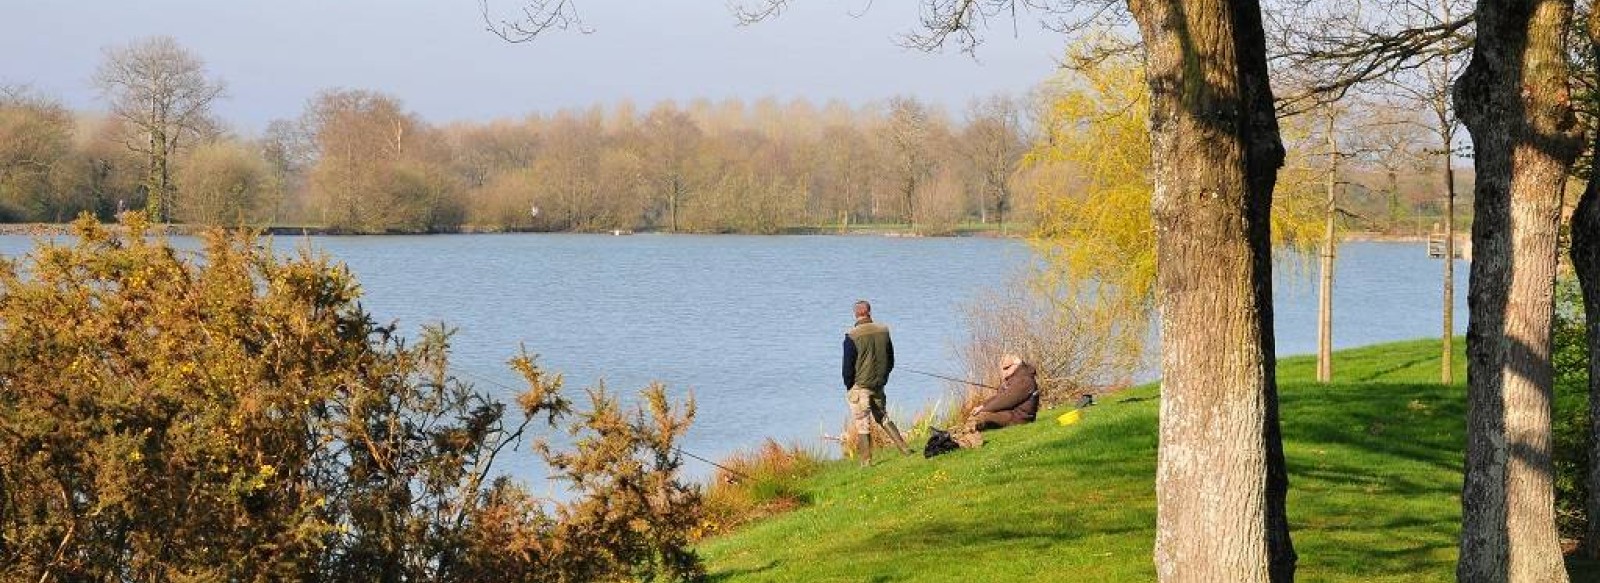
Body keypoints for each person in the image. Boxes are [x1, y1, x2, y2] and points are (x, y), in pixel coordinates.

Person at [843, 300, 908, 466]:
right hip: (879, 384)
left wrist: (849, 385)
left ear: (855, 314)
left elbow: (847, 367)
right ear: (869, 312)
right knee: (883, 417)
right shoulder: (883, 330)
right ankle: (905, 449)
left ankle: (866, 461)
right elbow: (891, 359)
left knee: (862, 423)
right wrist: (883, 376)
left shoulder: (851, 336)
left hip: (860, 386)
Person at [968, 354, 1040, 431]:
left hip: (1019, 418)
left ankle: (968, 435)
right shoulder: (1014, 378)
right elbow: (1000, 397)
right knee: (977, 416)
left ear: (1017, 364)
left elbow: (1006, 400)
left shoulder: (1024, 380)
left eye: (1007, 368)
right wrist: (982, 406)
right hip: (1010, 413)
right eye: (1003, 369)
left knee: (981, 417)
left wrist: (983, 410)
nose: (1004, 371)